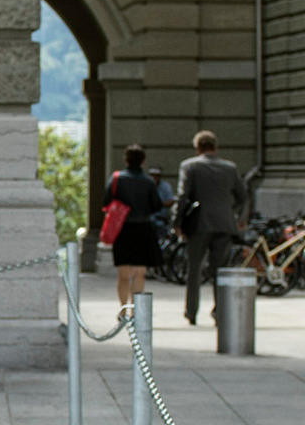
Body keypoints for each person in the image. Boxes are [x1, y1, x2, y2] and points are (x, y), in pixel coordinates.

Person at [177, 130, 247, 325]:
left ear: (198, 148)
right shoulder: (230, 168)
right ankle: (220, 311)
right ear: (216, 147)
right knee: (221, 270)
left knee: (194, 269)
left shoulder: (189, 166)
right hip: (224, 224)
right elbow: (243, 196)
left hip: (198, 224)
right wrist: (234, 214)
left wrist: (177, 222)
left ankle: (191, 311)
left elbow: (183, 197)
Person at [103, 144, 163, 309]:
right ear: (143, 161)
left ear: (126, 160)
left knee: (123, 273)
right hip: (143, 228)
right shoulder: (149, 182)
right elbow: (156, 205)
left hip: (122, 229)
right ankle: (134, 310)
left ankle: (123, 307)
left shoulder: (116, 178)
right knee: (139, 272)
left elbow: (106, 202)